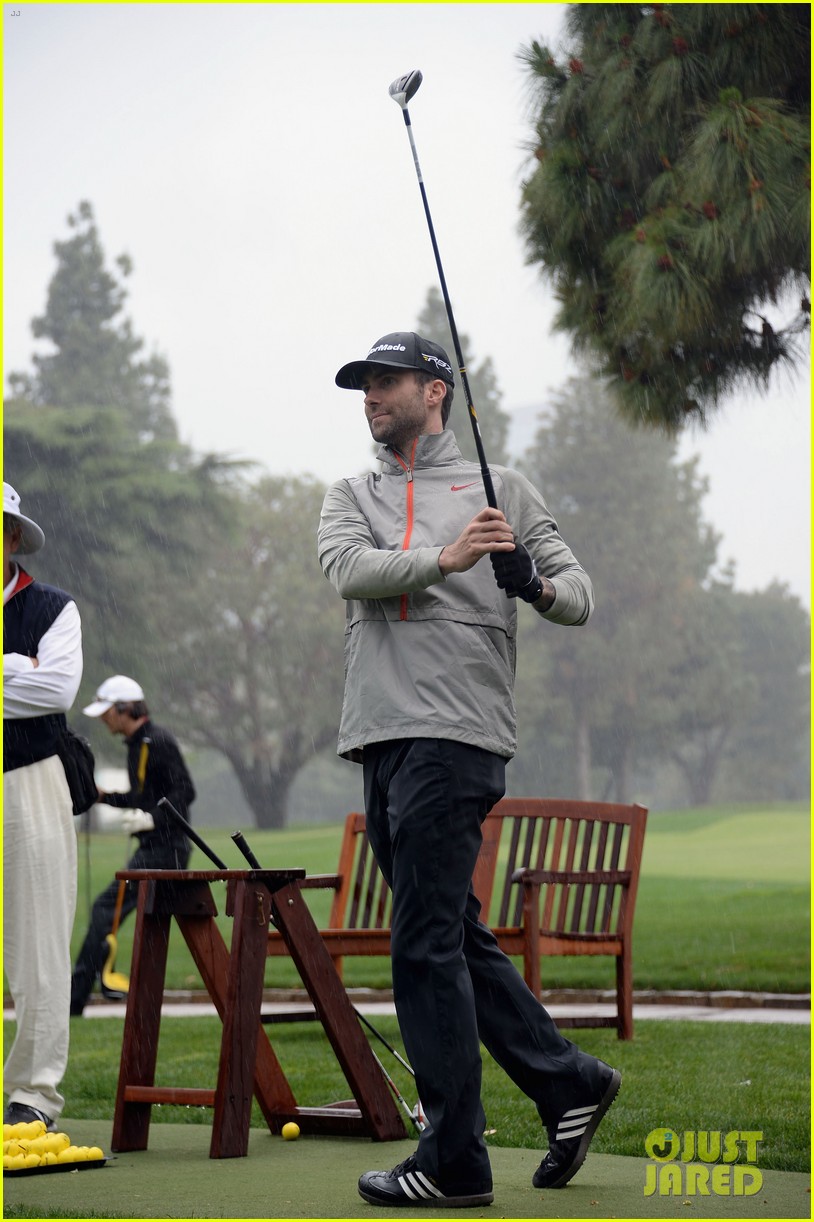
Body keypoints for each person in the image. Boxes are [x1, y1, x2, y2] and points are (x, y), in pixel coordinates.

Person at [318, 333, 620, 1208]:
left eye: (385, 381)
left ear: (435, 391)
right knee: (450, 933)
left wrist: (527, 578)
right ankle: (568, 1083)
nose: (371, 396)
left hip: (457, 737)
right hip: (378, 737)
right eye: (364, 385)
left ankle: (453, 1161)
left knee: (421, 944)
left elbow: (578, 597)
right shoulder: (352, 495)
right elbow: (346, 569)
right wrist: (446, 560)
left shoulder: (504, 491)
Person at [3, 482, 84, 1132]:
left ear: (10, 538)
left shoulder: (55, 609)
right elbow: (32, 685)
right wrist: (13, 668)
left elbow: (55, 690)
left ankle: (33, 1093)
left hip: (28, 780)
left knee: (38, 947)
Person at [69, 674, 196, 1015]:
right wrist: (102, 796)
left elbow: (184, 793)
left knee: (103, 910)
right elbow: (142, 796)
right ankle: (137, 1002)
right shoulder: (138, 744)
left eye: (107, 711)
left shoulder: (158, 741)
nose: (104, 718)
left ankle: (74, 999)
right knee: (160, 924)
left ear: (125, 708)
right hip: (157, 849)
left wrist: (153, 818)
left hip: (165, 850)